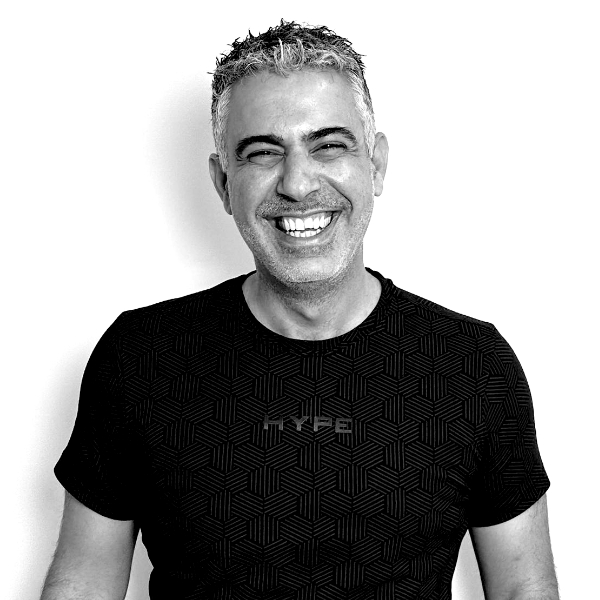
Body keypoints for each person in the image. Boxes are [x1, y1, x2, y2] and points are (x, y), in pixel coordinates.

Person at [41, 20, 559, 600]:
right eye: (264, 153)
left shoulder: (473, 364)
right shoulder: (141, 357)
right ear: (223, 183)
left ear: (376, 165)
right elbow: (83, 583)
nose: (297, 183)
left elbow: (524, 586)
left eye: (329, 146)